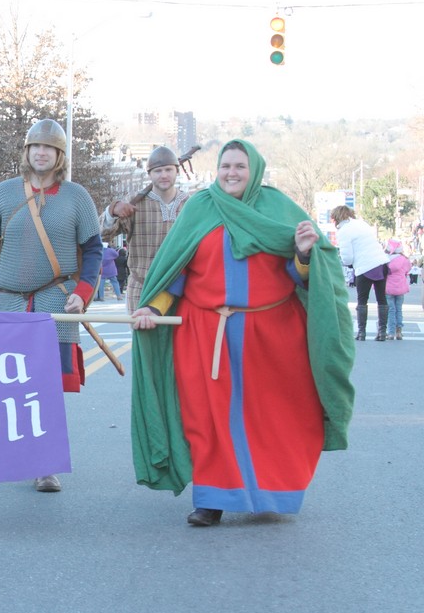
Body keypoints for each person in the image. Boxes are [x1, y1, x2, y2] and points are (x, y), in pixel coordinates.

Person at [130, 139, 355, 527]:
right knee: (207, 418)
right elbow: (175, 272)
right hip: (204, 332)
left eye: (240, 166)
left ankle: (269, 491)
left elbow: (304, 277)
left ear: (255, 170)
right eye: (226, 165)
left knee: (274, 417)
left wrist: (303, 254)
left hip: (272, 333)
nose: (231, 172)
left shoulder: (280, 208)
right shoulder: (199, 208)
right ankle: (211, 499)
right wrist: (152, 308)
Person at [0, 118, 103, 493]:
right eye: (35, 147)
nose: (41, 153)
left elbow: (92, 251)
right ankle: (21, 451)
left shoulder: (77, 198)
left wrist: (83, 292)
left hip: (55, 300)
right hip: (8, 301)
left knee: (48, 387)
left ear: (59, 156)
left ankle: (46, 465)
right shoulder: (3, 194)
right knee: (11, 383)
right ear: (26, 152)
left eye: (49, 148)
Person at [99, 146, 191, 312]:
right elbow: (102, 234)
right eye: (158, 171)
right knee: (142, 337)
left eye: (168, 170)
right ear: (149, 174)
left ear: (177, 171)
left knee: (180, 338)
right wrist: (112, 211)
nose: (164, 175)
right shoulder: (134, 204)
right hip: (142, 289)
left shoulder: (190, 204)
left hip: (181, 289)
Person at [331, 204, 390, 341]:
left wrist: (347, 262)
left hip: (364, 266)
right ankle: (382, 331)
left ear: (337, 218)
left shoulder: (344, 231)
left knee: (362, 300)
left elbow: (347, 258)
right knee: (382, 299)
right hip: (381, 262)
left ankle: (361, 332)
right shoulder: (362, 223)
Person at [384, 238, 411, 340]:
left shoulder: (386, 259)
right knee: (399, 309)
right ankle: (399, 331)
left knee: (391, 310)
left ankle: (390, 333)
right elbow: (407, 270)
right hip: (400, 287)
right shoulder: (404, 259)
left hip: (389, 288)